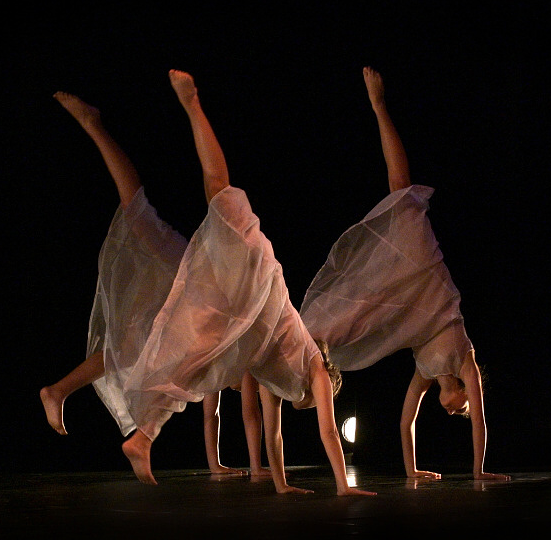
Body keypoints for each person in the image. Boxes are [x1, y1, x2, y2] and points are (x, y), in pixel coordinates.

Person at [42, 69, 374, 496]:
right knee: (216, 195)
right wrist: (343, 487)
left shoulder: (278, 382)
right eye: (312, 404)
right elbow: (327, 431)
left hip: (232, 299)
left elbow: (273, 435)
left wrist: (281, 485)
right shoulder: (315, 371)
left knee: (168, 325)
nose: (306, 407)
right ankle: (191, 102)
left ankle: (138, 433)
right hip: (254, 287)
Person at [300, 67, 510, 482]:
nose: (457, 411)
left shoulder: (426, 373)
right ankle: (379, 104)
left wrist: (413, 471)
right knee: (401, 188)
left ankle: (293, 343)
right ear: (467, 390)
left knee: (346, 321)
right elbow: (480, 423)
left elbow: (405, 421)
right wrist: (479, 472)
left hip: (401, 298)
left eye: (458, 411)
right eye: (463, 407)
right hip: (423, 277)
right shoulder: (466, 360)